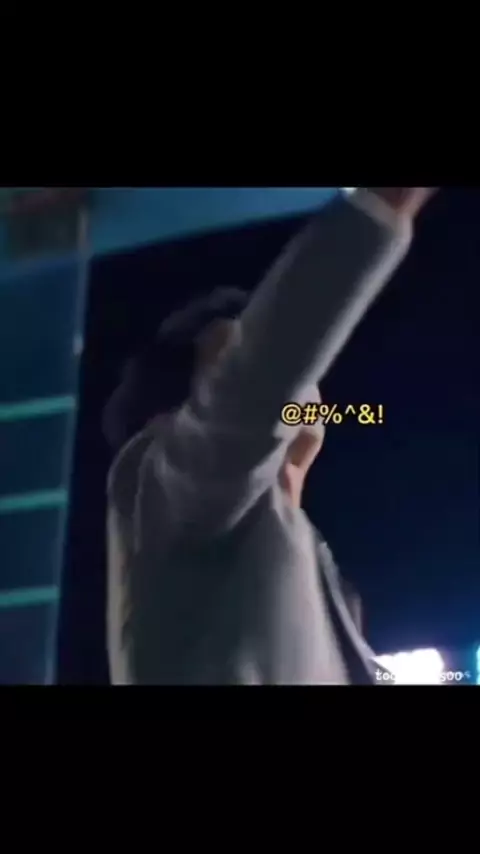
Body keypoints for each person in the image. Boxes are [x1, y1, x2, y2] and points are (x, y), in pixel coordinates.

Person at [104, 187, 435, 685]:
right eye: (229, 357)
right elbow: (264, 379)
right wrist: (381, 206)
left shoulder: (309, 564)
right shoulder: (167, 485)